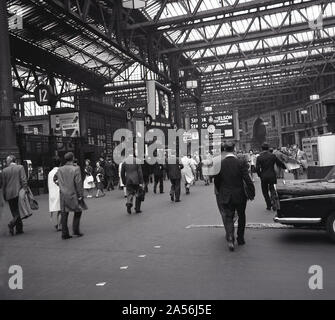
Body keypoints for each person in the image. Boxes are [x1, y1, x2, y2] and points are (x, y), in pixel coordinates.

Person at [214, 143, 255, 252]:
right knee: (241, 216)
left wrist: (221, 190)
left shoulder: (221, 164)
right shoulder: (240, 162)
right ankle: (240, 238)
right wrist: (252, 191)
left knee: (228, 216)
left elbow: (216, 181)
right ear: (234, 149)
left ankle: (230, 238)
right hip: (239, 194)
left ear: (225, 150)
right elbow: (247, 178)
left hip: (226, 194)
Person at [54, 152, 84, 240]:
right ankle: (75, 230)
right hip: (73, 193)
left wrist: (60, 185)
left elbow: (55, 179)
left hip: (63, 194)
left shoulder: (60, 169)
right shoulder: (76, 168)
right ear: (73, 158)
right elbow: (78, 183)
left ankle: (64, 233)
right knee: (78, 211)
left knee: (64, 213)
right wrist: (80, 195)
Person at [0, 155, 28, 236]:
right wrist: (25, 189)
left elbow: (3, 184)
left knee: (14, 210)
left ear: (10, 161)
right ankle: (12, 224)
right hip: (18, 192)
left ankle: (19, 229)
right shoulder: (20, 167)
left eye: (7, 161)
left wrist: (4, 194)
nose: (6, 162)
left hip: (9, 194)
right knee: (19, 210)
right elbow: (23, 179)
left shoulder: (4, 170)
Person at [256, 143, 286, 210]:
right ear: (268, 148)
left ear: (262, 148)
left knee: (265, 191)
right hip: (272, 175)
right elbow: (279, 163)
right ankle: (274, 200)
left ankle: (269, 205)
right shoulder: (272, 156)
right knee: (272, 189)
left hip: (264, 176)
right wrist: (285, 167)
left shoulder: (259, 157)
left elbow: (257, 168)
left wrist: (260, 175)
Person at [48, 156, 61, 231]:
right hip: (59, 193)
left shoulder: (50, 173)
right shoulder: (60, 171)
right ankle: (59, 225)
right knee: (61, 210)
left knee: (58, 210)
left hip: (52, 194)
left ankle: (58, 224)